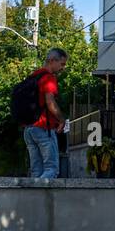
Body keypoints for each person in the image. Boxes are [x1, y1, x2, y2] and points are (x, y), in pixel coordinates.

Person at [22, 48, 68, 179]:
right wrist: (61, 119)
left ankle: (34, 199)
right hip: (43, 128)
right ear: (52, 60)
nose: (62, 68)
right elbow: (50, 102)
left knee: (36, 171)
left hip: (28, 130)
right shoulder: (49, 78)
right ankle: (46, 200)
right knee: (51, 169)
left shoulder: (33, 76)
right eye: (62, 64)